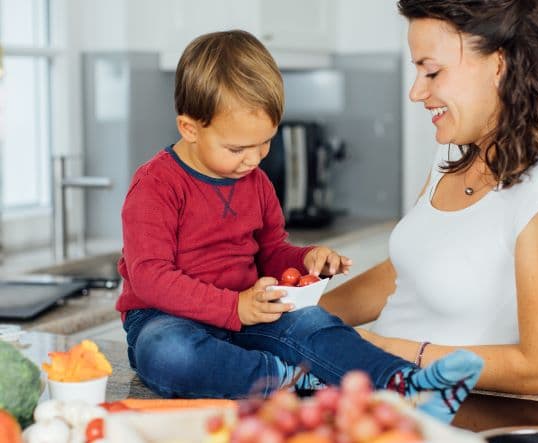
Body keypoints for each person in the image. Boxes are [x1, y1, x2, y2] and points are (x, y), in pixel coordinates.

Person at [115, 29, 483, 422]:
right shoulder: (156, 185)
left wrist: (307, 259)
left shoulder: (253, 181)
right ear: (189, 128)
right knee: (167, 352)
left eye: (265, 143)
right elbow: (151, 277)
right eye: (237, 149)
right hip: (167, 317)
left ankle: (408, 385)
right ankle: (290, 379)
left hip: (248, 311)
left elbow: (271, 252)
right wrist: (232, 306)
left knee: (315, 322)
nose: (253, 160)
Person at [320, 0, 538, 395]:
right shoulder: (452, 155)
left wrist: (379, 351)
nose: (416, 92)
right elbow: (411, 271)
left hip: (460, 421)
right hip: (385, 408)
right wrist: (307, 318)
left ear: (500, 66)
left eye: (432, 71)